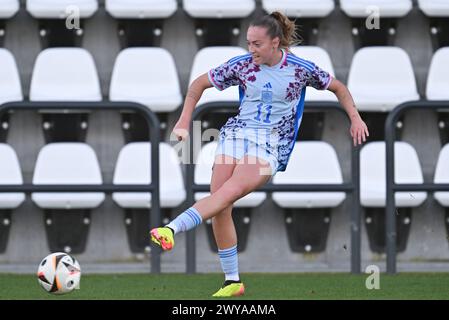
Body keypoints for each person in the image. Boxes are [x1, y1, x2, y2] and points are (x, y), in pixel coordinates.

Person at [150, 11, 369, 297]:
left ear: (275, 43)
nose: (250, 49)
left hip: (270, 144)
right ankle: (232, 282)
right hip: (235, 135)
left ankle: (171, 229)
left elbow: (338, 87)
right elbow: (198, 85)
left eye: (256, 44)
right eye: (248, 43)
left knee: (227, 193)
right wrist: (182, 121)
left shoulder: (300, 69)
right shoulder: (242, 65)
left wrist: (355, 117)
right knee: (220, 206)